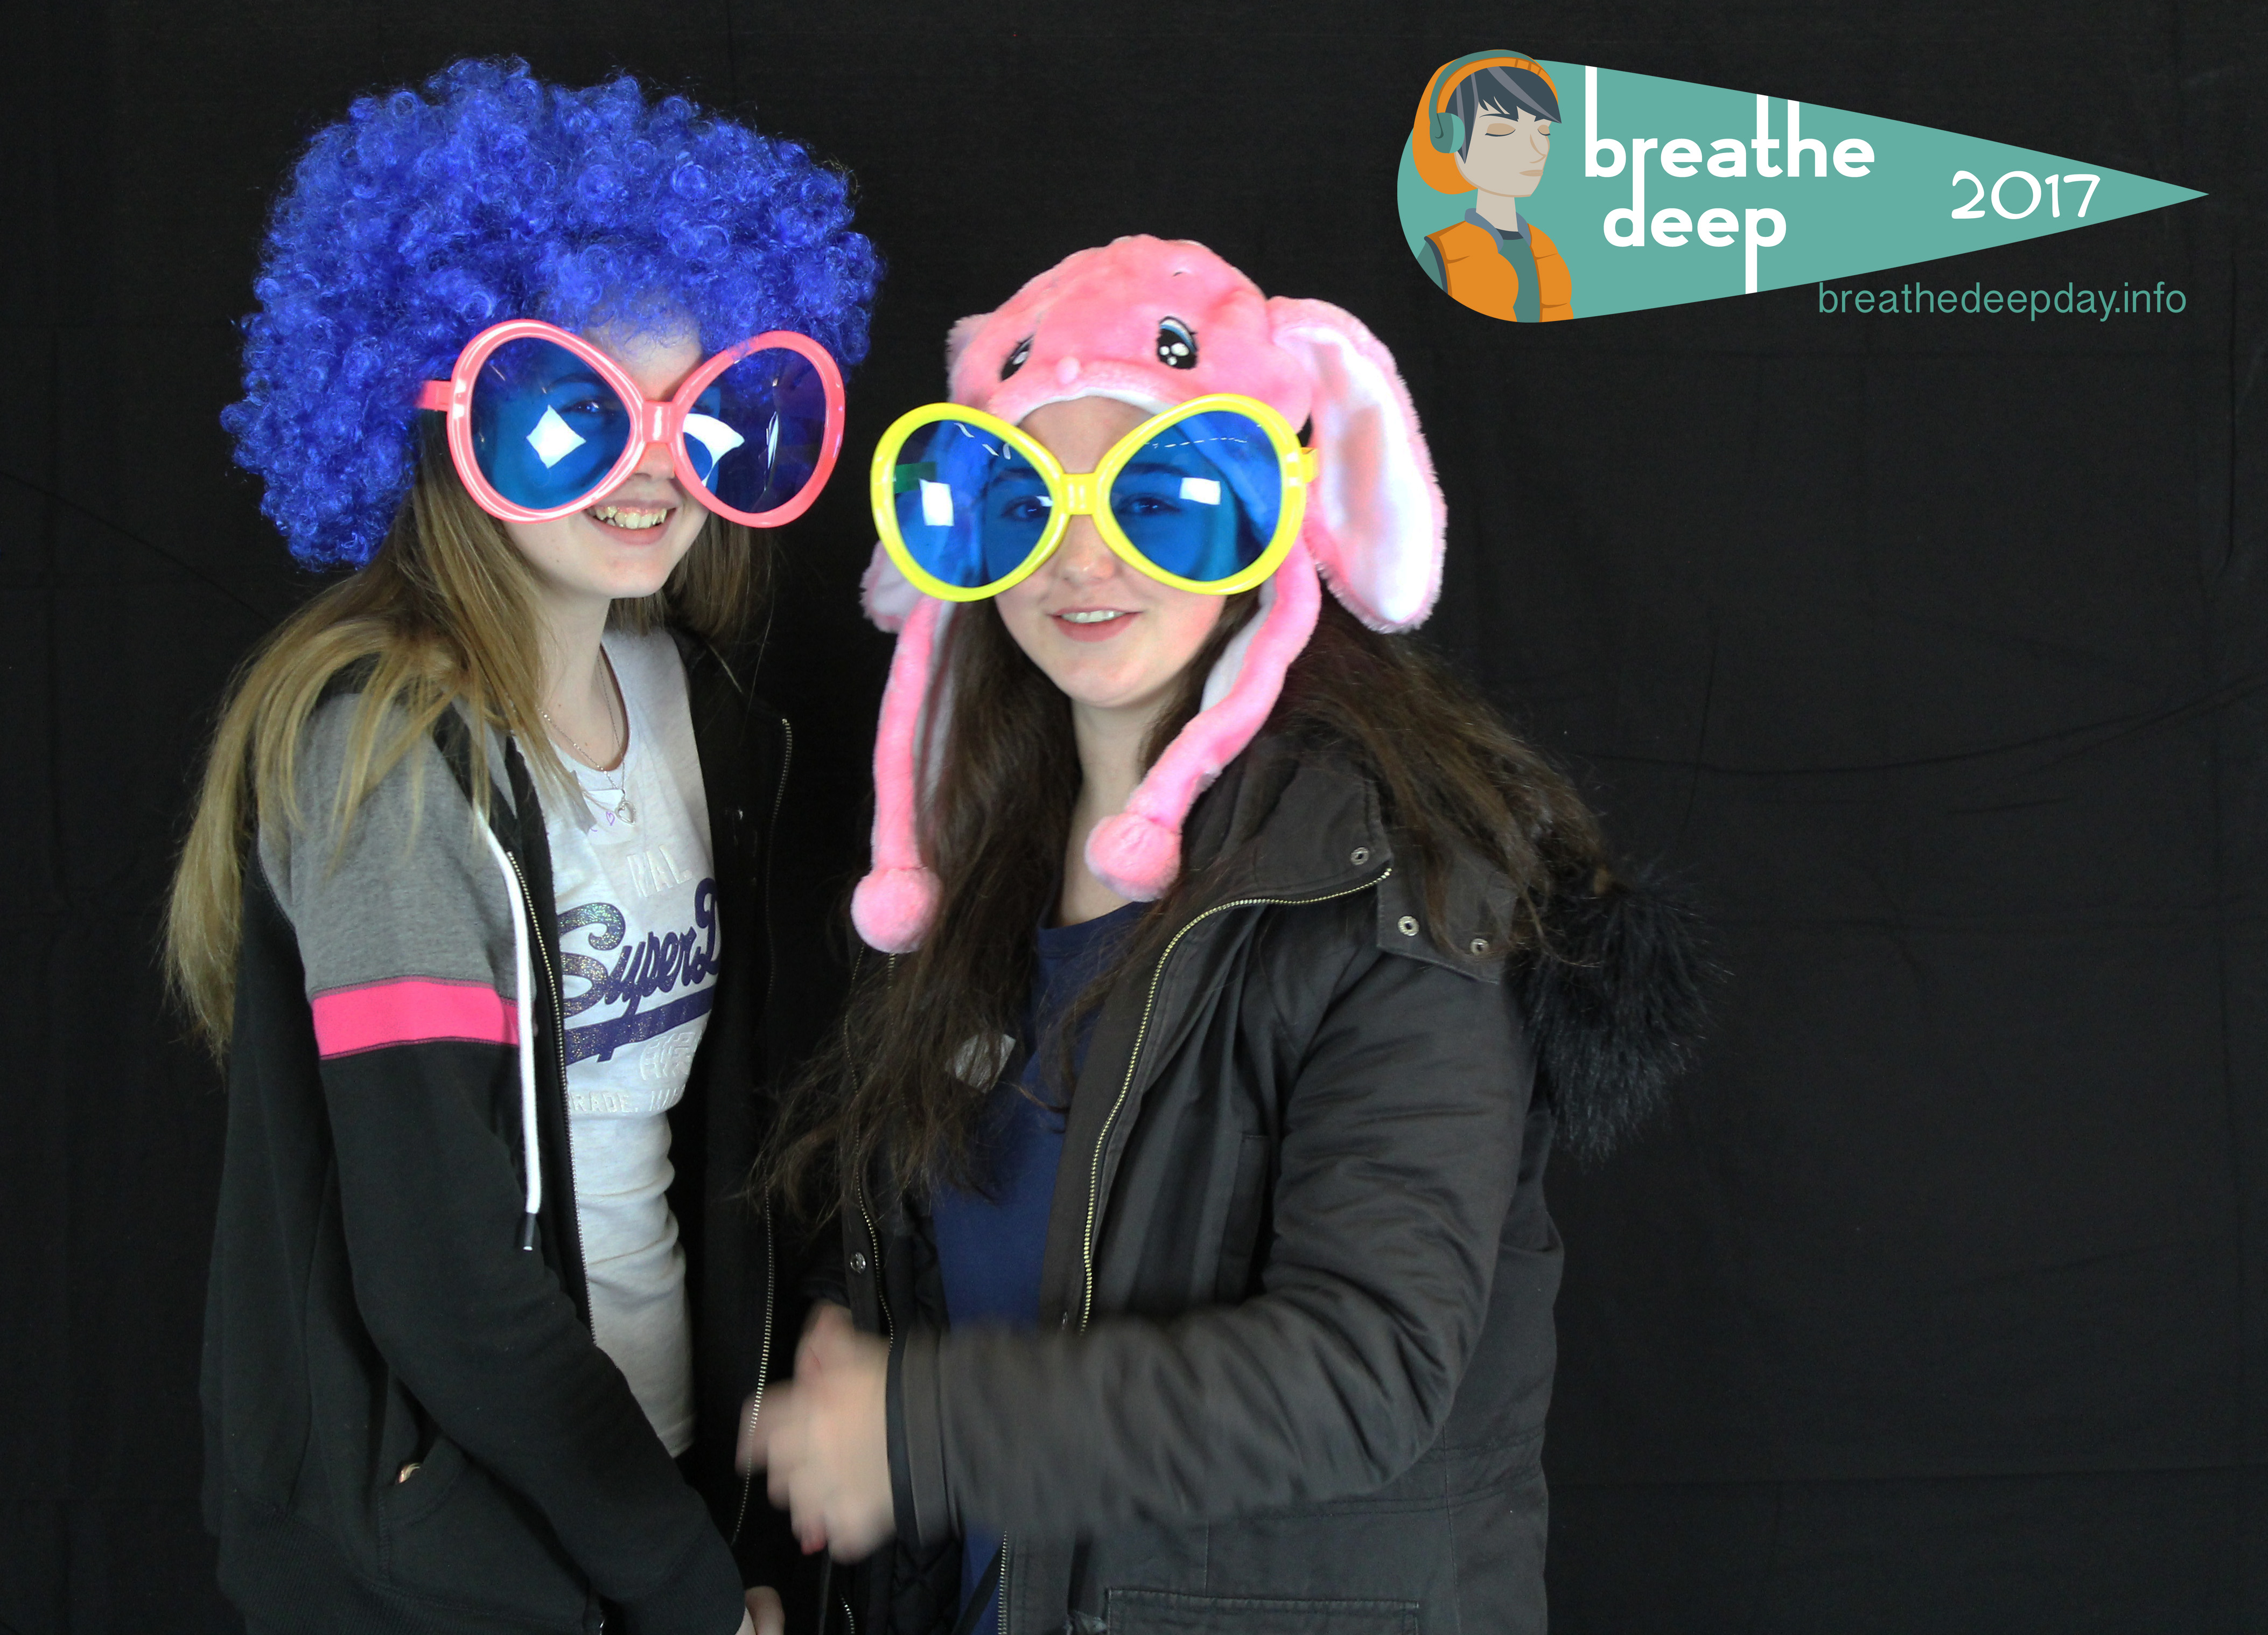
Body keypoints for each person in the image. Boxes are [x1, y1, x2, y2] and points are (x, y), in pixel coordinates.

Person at [747, 237, 1702, 1634]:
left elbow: (1366, 1369)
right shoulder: (974, 873)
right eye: (1026, 497)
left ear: (1271, 512)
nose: (1081, 556)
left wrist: (921, 1428)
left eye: (1160, 497)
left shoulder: (1396, 880)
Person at [165, 59, 878, 1634]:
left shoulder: (706, 717)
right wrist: (687, 1592)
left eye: (696, 412)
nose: (650, 465)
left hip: (667, 1477)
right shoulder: (376, 749)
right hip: (451, 1550)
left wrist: (723, 1522)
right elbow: (440, 1271)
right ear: (436, 411)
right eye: (573, 411)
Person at [1415, 53, 1576, 322]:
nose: (1536, 149)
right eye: (1502, 130)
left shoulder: (1545, 248)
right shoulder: (1439, 254)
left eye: (1543, 130)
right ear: (1449, 138)